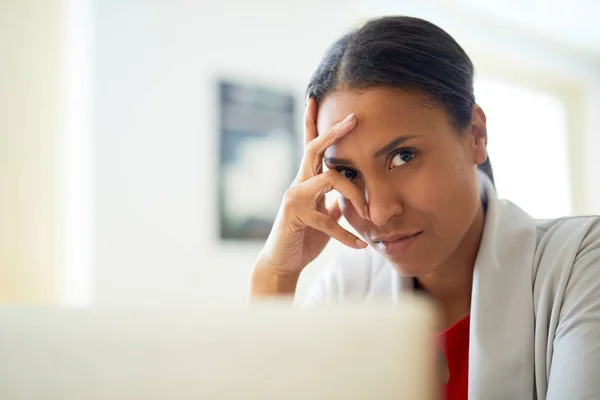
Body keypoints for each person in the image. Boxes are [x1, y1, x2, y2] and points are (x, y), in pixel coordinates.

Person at [249, 16, 600, 400]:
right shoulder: (347, 292)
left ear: (476, 136)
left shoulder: (580, 264)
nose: (379, 212)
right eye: (347, 172)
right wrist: (276, 274)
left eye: (403, 156)